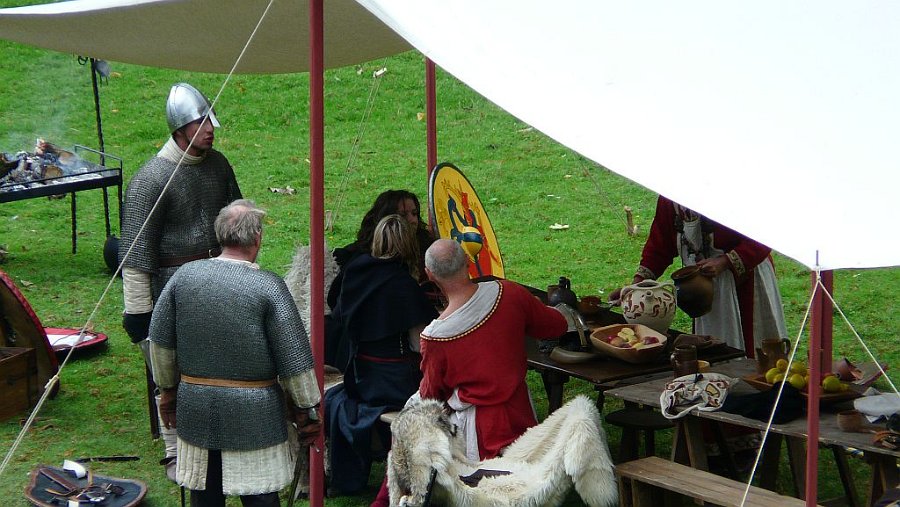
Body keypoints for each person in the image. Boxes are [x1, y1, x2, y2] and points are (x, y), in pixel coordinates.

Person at [149, 200, 321, 506]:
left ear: (220, 235)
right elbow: (294, 360)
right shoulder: (268, 287)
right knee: (261, 499)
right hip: (255, 415)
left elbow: (161, 345)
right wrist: (306, 408)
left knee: (205, 497)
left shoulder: (184, 278)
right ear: (257, 238)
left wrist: (167, 391)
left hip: (197, 406)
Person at [119, 82, 242, 478]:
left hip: (219, 278)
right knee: (169, 372)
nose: (210, 130)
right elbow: (135, 254)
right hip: (171, 289)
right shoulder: (150, 180)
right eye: (200, 123)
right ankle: (175, 450)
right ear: (179, 127)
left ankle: (223, 431)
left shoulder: (218, 166)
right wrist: (140, 313)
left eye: (210, 121)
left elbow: (236, 224)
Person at [419, 238, 568, 460]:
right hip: (517, 412)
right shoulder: (510, 293)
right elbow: (557, 325)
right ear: (467, 260)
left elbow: (431, 396)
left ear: (429, 274)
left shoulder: (435, 337)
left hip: (480, 429)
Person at [325, 214, 437, 496]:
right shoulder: (403, 285)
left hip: (358, 376)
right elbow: (420, 344)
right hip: (394, 384)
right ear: (408, 245)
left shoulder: (356, 272)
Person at [612, 195, 788, 355]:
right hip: (702, 283)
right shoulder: (669, 194)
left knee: (756, 346)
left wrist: (725, 261)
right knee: (714, 348)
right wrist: (637, 284)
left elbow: (765, 232)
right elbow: (660, 243)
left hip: (747, 277)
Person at [325, 189, 434, 369]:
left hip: (361, 367)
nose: (412, 220)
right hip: (384, 369)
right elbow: (419, 344)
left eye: (414, 213)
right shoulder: (360, 266)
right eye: (403, 215)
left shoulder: (428, 251)